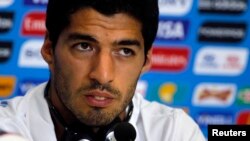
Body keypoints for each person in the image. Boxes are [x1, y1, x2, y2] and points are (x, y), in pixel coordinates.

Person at [0, 0, 206, 141]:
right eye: (84, 46)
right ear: (48, 48)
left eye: (125, 51)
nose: (102, 75)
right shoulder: (6, 129)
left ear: (147, 60)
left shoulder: (174, 132)